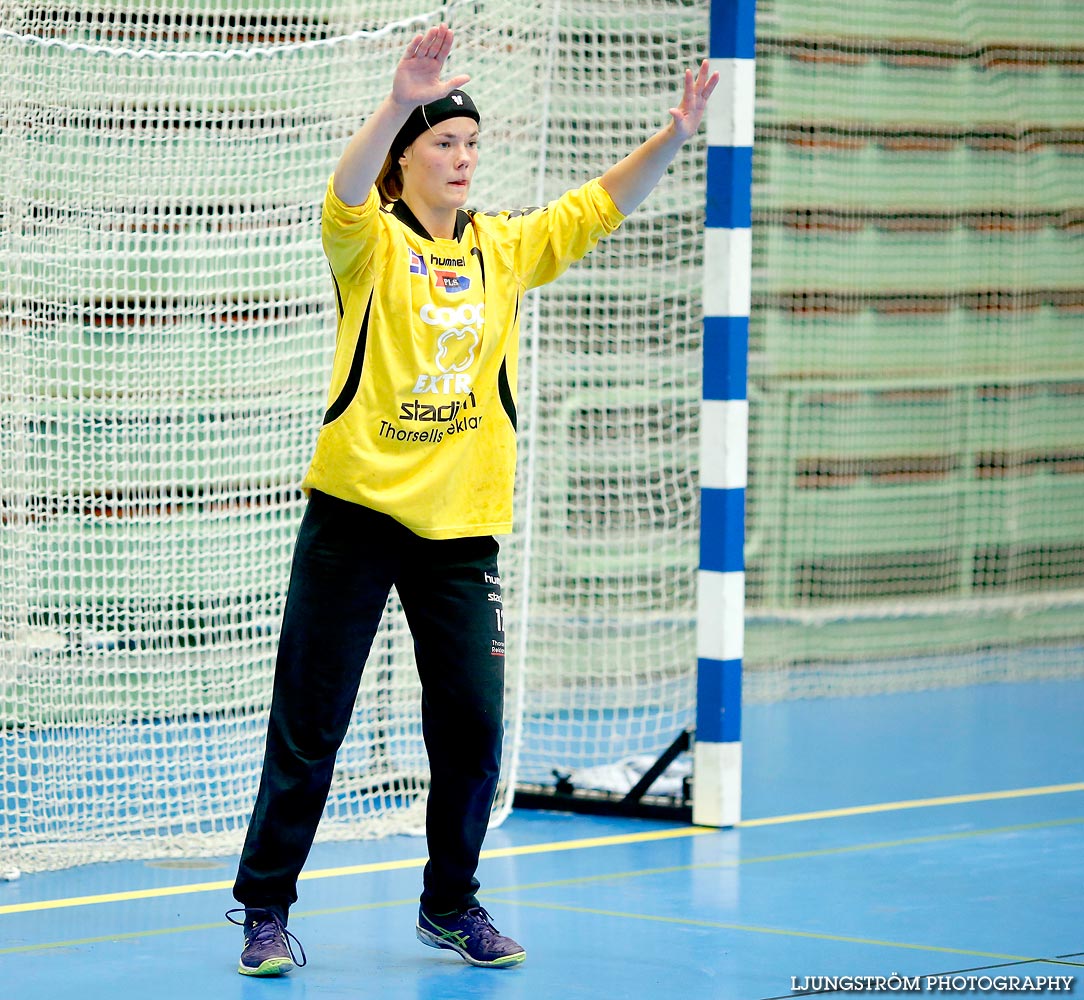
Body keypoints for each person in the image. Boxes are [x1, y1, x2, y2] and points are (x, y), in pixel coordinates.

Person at [224, 22, 718, 977]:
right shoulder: (367, 245)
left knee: (473, 725)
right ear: (407, 158)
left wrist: (673, 136)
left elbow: (597, 207)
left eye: (470, 144)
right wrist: (402, 98)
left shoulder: (505, 249)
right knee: (310, 723)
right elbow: (343, 185)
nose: (461, 158)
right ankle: (264, 910)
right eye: (443, 143)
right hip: (357, 515)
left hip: (460, 530)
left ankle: (452, 904)